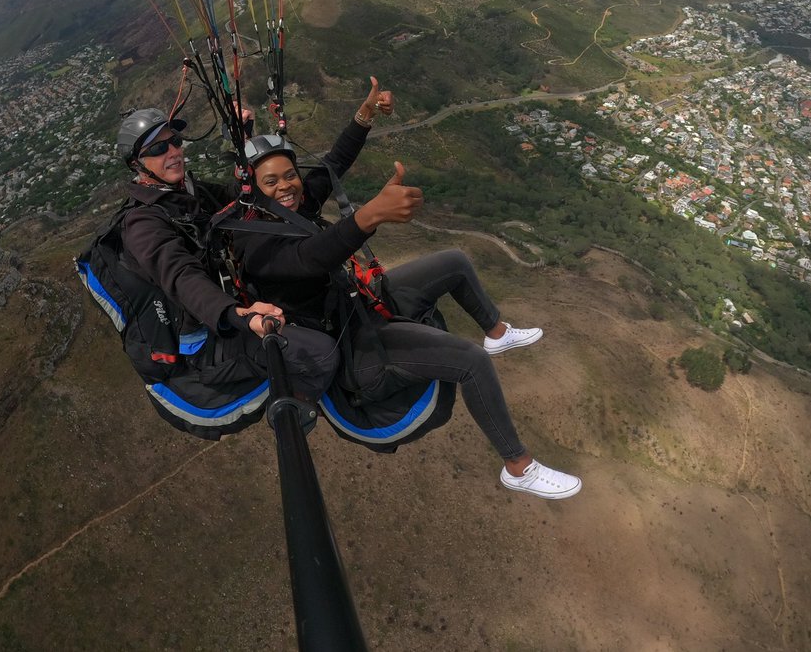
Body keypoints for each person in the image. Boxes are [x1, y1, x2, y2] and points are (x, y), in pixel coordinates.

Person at [230, 84, 581, 499]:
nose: (287, 185)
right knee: (469, 361)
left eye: (290, 174)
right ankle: (518, 467)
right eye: (271, 181)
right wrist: (368, 216)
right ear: (252, 189)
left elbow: (333, 164)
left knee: (453, 261)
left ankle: (497, 333)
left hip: (358, 305)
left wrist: (365, 115)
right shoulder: (255, 244)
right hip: (351, 352)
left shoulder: (293, 206)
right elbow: (310, 258)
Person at [116, 107, 339, 403]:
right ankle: (300, 406)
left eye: (175, 141)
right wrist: (235, 315)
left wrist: (242, 146)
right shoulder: (142, 224)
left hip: (233, 304)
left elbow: (240, 200)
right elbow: (182, 277)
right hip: (207, 339)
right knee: (321, 353)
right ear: (137, 164)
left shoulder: (188, 193)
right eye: (158, 148)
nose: (172, 152)